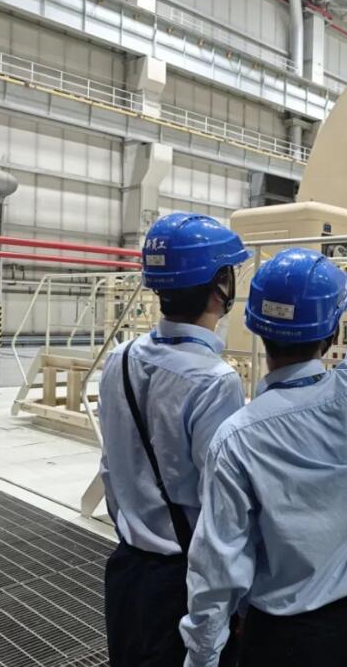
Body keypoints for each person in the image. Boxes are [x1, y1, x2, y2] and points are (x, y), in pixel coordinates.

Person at [180, 246, 347, 667]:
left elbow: (218, 566)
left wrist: (201, 657)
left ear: (257, 328)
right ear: (331, 336)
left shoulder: (236, 438)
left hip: (277, 638)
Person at [98, 212, 251, 667]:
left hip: (127, 573)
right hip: (180, 586)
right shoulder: (215, 381)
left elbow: (110, 469)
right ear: (220, 285)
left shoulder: (120, 358)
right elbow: (220, 512)